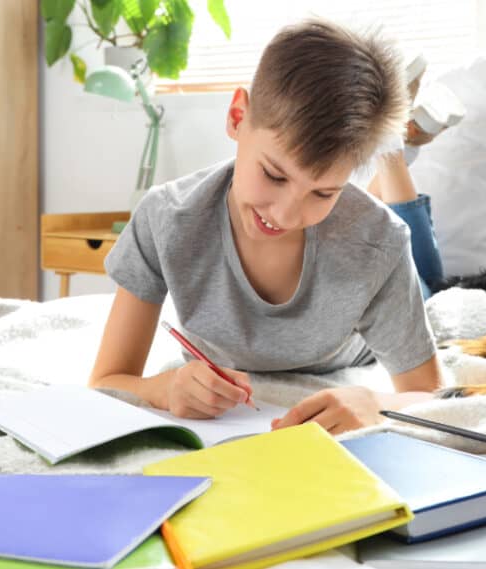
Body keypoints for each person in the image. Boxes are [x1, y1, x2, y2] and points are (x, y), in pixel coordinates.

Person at [89, 19, 461, 435]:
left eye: (322, 193)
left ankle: (397, 149)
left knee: (414, 257)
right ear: (236, 117)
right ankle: (397, 145)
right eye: (274, 175)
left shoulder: (379, 241)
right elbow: (107, 381)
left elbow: (431, 397)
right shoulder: (166, 219)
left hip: (358, 344)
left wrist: (375, 404)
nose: (284, 215)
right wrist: (162, 389)